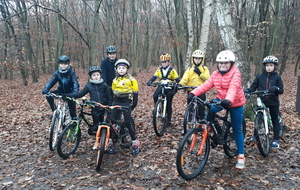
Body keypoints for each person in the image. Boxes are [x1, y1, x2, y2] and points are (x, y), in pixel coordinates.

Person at [190, 50, 246, 169]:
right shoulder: (215, 74)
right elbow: (206, 85)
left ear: (231, 63)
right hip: (221, 99)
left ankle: (241, 155)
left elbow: (233, 87)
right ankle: (214, 128)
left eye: (226, 63)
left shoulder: (235, 73)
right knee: (209, 110)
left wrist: (229, 99)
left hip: (235, 102)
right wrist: (194, 93)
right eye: (220, 63)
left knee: (237, 129)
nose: (223, 65)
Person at [244, 55, 284, 148]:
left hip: (273, 101)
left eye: (271, 65)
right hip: (261, 100)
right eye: (267, 65)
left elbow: (281, 90)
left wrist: (276, 89)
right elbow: (253, 87)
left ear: (274, 66)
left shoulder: (277, 77)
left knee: (274, 119)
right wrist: (247, 91)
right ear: (264, 66)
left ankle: (276, 139)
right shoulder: (259, 76)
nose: (268, 67)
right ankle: (255, 135)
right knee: (258, 117)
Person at [64, 66, 113, 135]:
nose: (96, 77)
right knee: (97, 125)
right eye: (94, 75)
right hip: (95, 108)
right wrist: (69, 95)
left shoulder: (104, 85)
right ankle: (98, 136)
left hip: (104, 107)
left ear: (100, 75)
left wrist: (109, 106)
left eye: (97, 75)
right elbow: (80, 94)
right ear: (91, 77)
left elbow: (109, 96)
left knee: (106, 124)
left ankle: (106, 137)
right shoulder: (89, 86)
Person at [109, 59, 140, 154]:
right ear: (116, 69)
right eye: (119, 68)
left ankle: (135, 142)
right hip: (116, 101)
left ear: (126, 69)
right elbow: (113, 92)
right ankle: (111, 141)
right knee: (112, 121)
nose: (121, 70)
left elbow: (135, 93)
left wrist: (133, 104)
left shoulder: (131, 80)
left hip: (126, 102)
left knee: (127, 122)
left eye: (123, 68)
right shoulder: (114, 80)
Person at [146, 53, 180, 128]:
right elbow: (154, 77)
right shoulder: (159, 70)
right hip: (161, 86)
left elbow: (177, 80)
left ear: (168, 62)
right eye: (162, 62)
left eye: (165, 62)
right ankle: (157, 108)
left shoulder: (172, 70)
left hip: (169, 87)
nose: (163, 64)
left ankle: (168, 121)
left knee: (168, 103)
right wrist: (150, 81)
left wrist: (177, 86)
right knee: (155, 95)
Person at [42, 55, 79, 119]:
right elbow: (52, 81)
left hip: (70, 92)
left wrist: (75, 92)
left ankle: (73, 119)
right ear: (59, 64)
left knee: (73, 114)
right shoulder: (57, 73)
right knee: (49, 96)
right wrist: (46, 89)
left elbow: (75, 83)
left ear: (68, 64)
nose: (63, 65)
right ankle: (55, 111)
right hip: (60, 91)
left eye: (65, 64)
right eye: (62, 64)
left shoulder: (72, 73)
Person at [179, 49, 210, 120]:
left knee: (201, 107)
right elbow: (185, 78)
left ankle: (201, 120)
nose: (197, 60)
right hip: (191, 90)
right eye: (196, 58)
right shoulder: (189, 69)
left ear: (202, 59)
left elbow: (208, 78)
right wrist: (180, 84)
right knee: (189, 101)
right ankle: (189, 115)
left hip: (201, 90)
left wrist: (200, 73)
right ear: (193, 59)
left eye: (199, 59)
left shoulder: (204, 68)